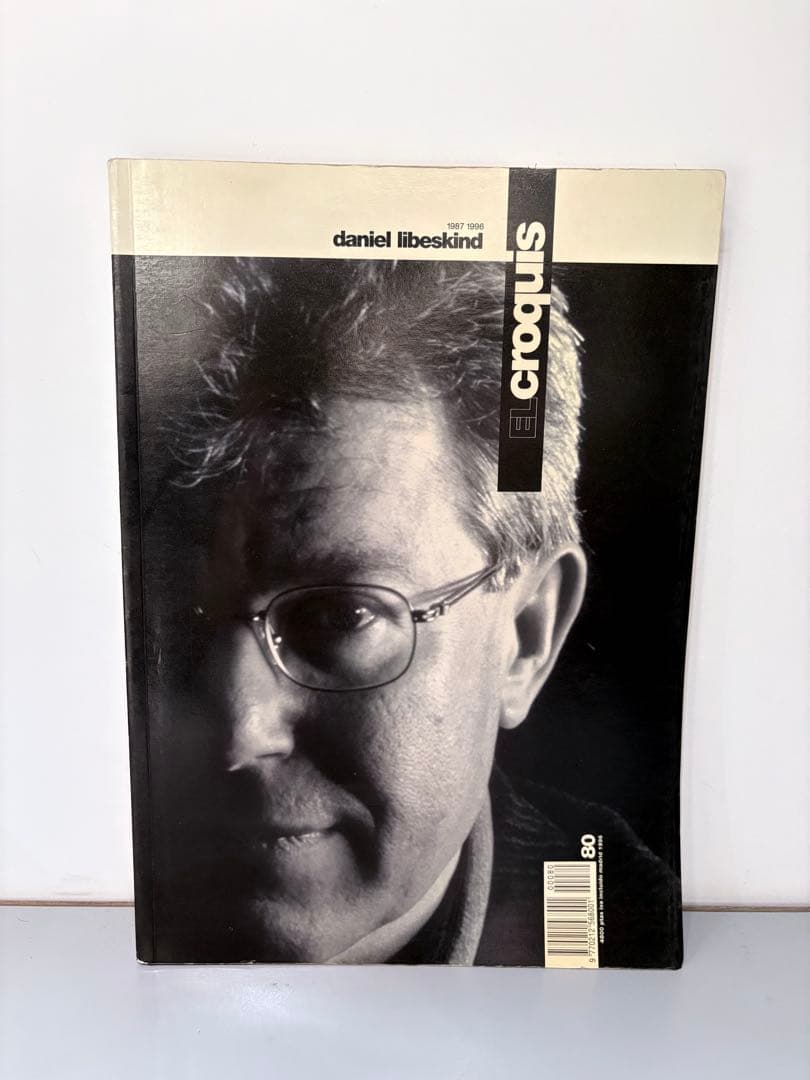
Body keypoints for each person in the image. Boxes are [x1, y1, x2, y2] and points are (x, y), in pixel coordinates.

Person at [146, 257, 679, 966]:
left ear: (527, 636)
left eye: (340, 617)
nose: (239, 733)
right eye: (171, 618)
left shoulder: (636, 957)